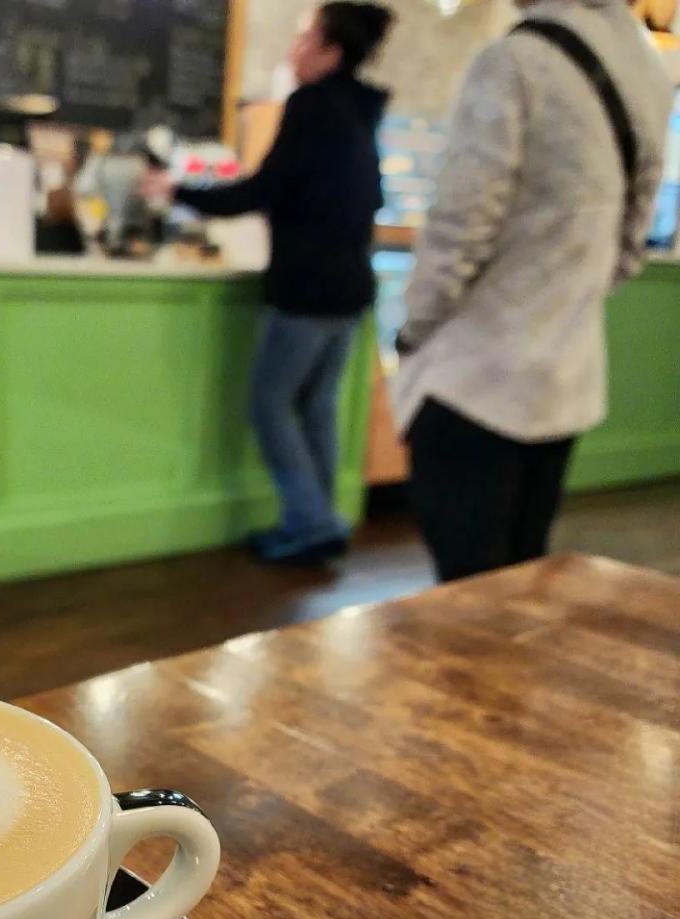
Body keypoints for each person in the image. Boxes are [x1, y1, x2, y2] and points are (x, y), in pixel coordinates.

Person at [393, 0, 672, 582]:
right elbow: (633, 238)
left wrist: (413, 328)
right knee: (519, 588)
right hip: (566, 379)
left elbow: (460, 225)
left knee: (465, 599)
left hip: (475, 379)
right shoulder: (648, 67)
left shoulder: (512, 61)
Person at [145, 3, 394, 565]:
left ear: (331, 53)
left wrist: (177, 190)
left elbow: (260, 190)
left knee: (269, 404)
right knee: (317, 408)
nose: (292, 50)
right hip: (353, 288)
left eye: (305, 39)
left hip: (306, 290)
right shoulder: (362, 110)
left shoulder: (312, 106)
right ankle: (321, 518)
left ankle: (311, 522)